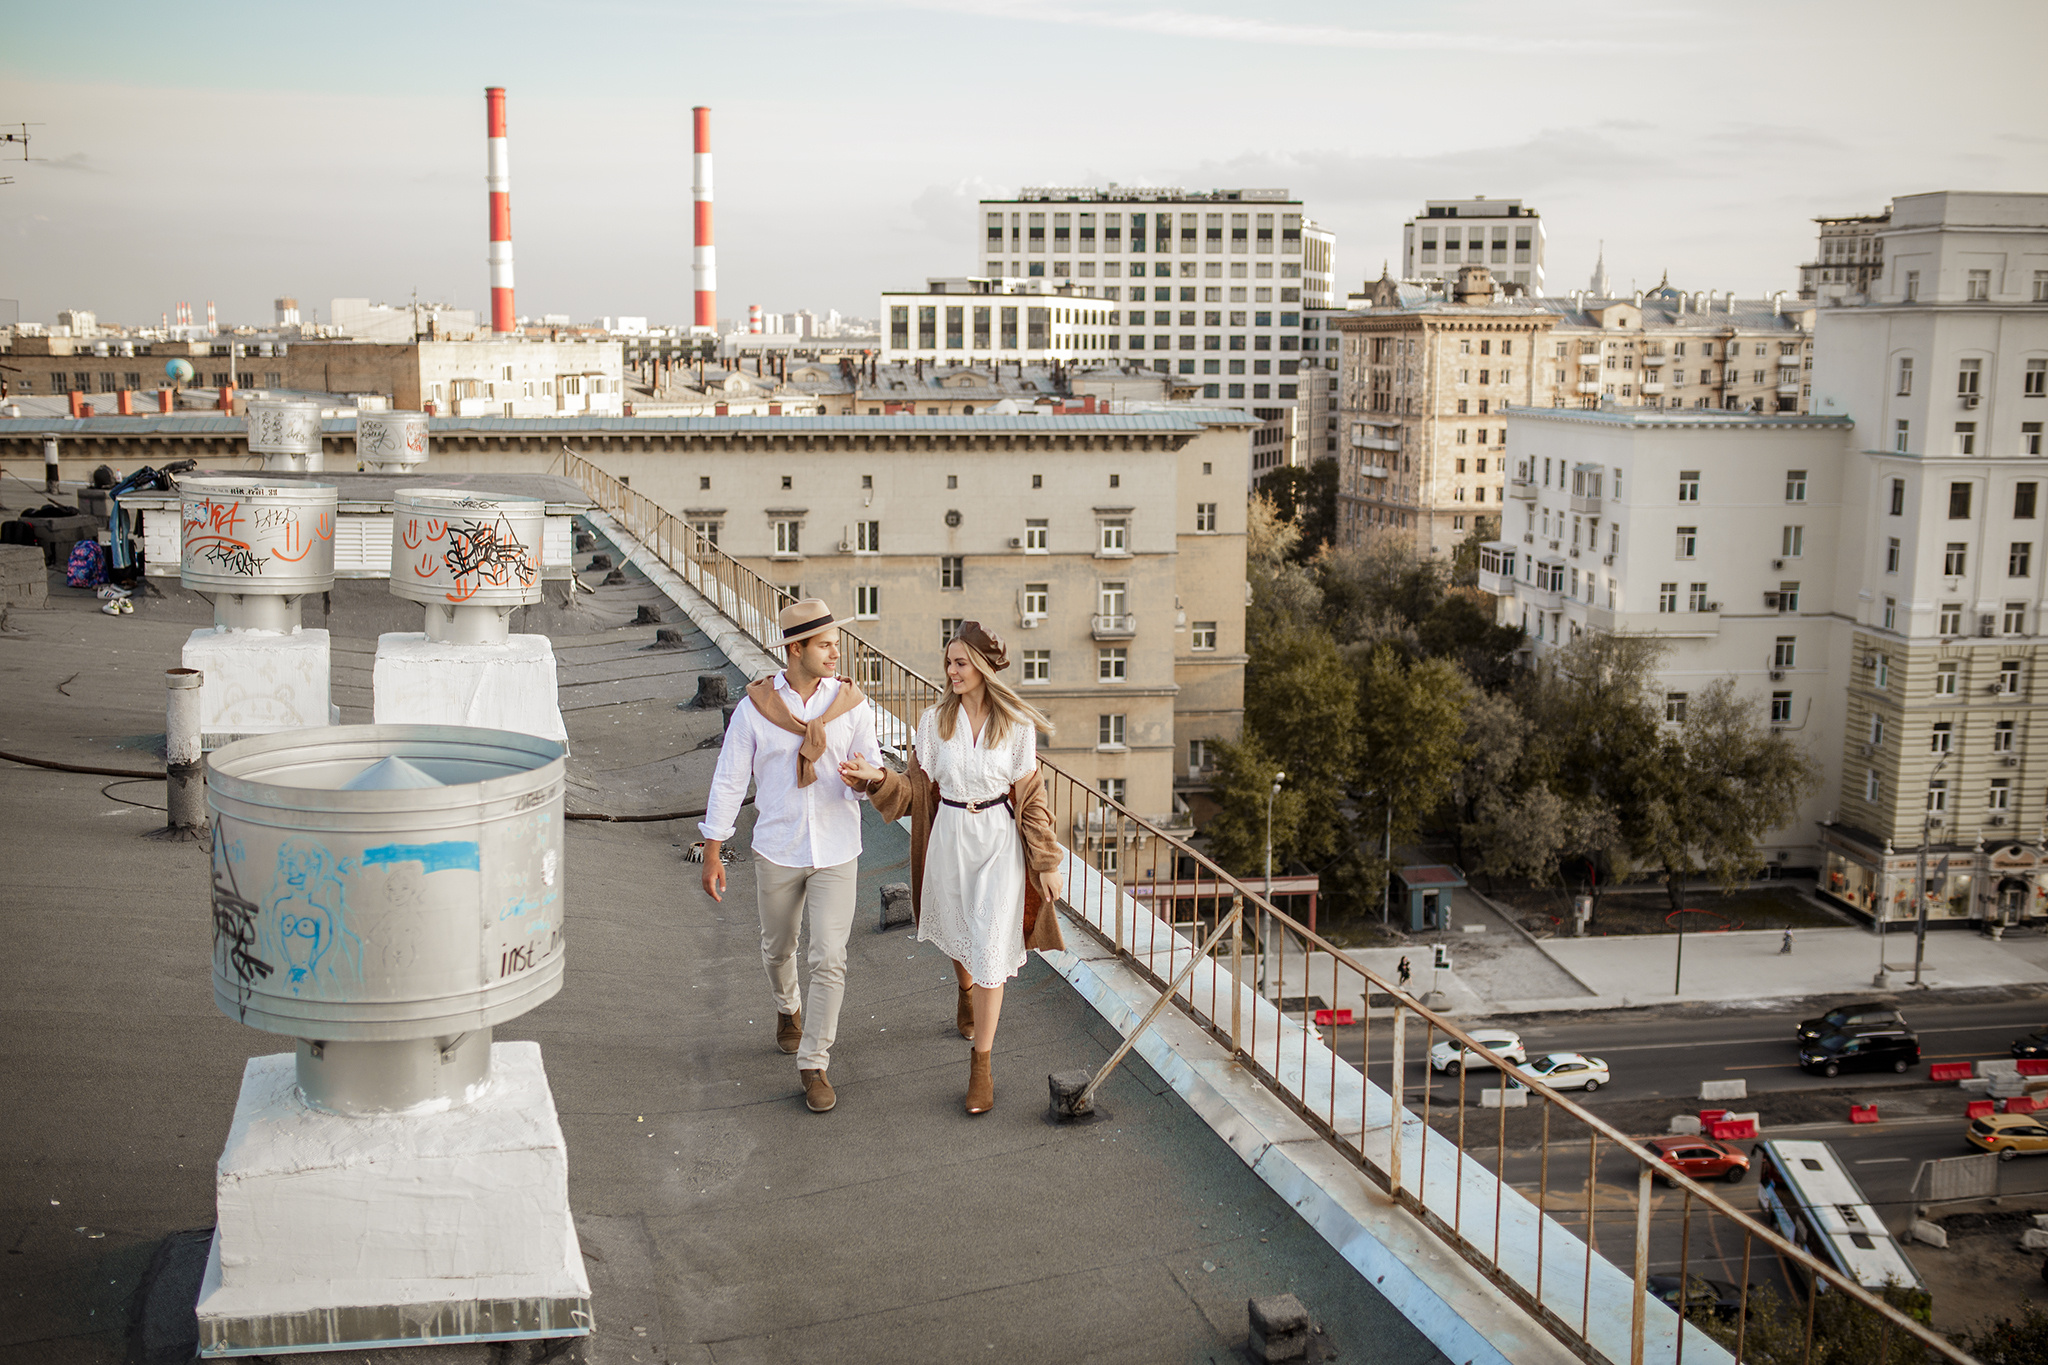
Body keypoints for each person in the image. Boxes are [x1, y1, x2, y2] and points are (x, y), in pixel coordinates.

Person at [840, 622, 1064, 1115]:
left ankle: (981, 1064)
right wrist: (876, 779)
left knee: (988, 945)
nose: (951, 671)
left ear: (983, 667)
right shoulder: (933, 722)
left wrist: (1046, 860)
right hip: (949, 838)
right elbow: (916, 792)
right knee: (963, 933)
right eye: (949, 662)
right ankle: (964, 991)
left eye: (961, 662)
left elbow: (1031, 799)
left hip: (999, 843)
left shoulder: (1017, 726)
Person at [700, 599, 881, 1116]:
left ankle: (814, 1062)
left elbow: (872, 770)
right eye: (825, 644)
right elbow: (730, 781)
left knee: (829, 957)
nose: (835, 653)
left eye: (836, 643)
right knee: (778, 949)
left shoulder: (852, 705)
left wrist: (866, 779)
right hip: (777, 849)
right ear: (795, 649)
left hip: (837, 849)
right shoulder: (756, 709)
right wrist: (714, 851)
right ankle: (787, 1007)